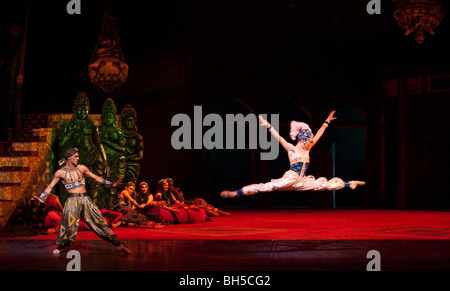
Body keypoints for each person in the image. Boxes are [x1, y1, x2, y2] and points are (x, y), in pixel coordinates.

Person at [220, 111, 365, 198]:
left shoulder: (308, 147)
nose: (311, 141)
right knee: (266, 187)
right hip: (290, 178)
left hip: (300, 181)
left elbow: (320, 134)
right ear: (302, 139)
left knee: (321, 185)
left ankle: (349, 184)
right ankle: (235, 193)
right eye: (309, 139)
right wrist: (267, 125)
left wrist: (326, 121)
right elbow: (279, 138)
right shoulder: (291, 148)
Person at [32, 147, 132, 254]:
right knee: (68, 225)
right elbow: (50, 187)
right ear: (69, 158)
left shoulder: (81, 168)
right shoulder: (60, 173)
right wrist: (42, 197)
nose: (78, 158)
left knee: (99, 221)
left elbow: (96, 178)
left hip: (85, 199)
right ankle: (62, 246)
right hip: (72, 200)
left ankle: (117, 244)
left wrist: (111, 184)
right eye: (76, 156)